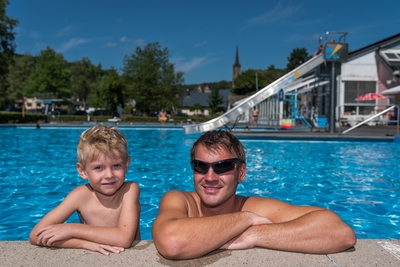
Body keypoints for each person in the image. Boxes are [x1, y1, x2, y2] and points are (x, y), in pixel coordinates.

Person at [152, 130, 356, 260]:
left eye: (222, 167)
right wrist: (246, 219)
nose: (210, 177)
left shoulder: (255, 205)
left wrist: (252, 235)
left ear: (241, 173)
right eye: (201, 166)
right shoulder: (180, 200)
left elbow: (340, 233)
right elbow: (172, 243)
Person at [29, 125, 141, 256]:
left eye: (116, 166)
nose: (109, 175)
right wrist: (84, 243)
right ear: (82, 171)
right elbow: (35, 235)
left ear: (126, 164)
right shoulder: (80, 195)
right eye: (99, 167)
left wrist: (71, 229)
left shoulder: (129, 190)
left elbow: (124, 239)